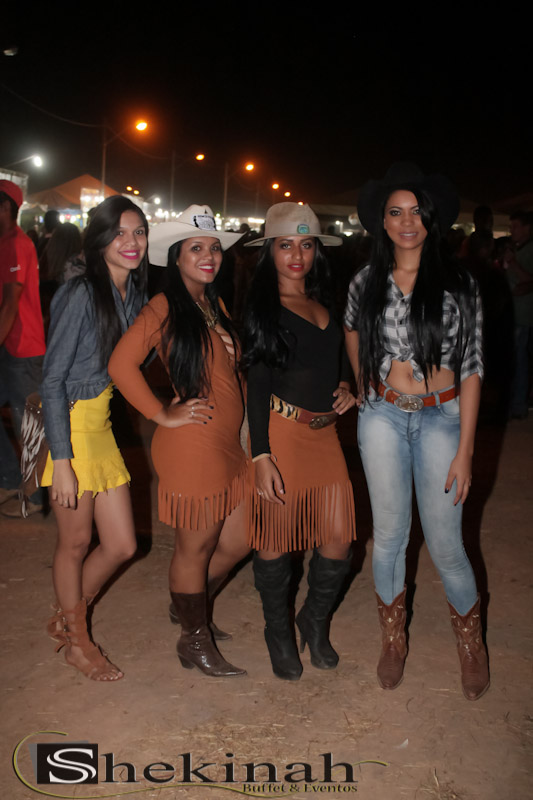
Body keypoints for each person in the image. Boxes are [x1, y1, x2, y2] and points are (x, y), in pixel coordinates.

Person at [343, 162, 489, 701]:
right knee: (389, 536)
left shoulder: (459, 282)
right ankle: (392, 637)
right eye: (395, 213)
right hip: (383, 415)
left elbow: (472, 367)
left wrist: (466, 450)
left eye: (416, 212)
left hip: (442, 418)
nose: (407, 222)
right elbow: (352, 328)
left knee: (447, 542)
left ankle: (471, 643)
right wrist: (364, 380)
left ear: (431, 219)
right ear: (381, 222)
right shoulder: (366, 280)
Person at [109, 205, 249, 678]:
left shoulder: (213, 305)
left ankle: (190, 605)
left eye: (214, 248)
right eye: (196, 248)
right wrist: (161, 413)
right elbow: (121, 364)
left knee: (240, 539)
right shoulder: (164, 306)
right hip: (193, 445)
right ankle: (193, 638)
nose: (209, 256)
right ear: (176, 256)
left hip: (229, 443)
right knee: (196, 548)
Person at [241, 203, 356, 681]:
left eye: (306, 245)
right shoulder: (264, 309)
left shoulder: (326, 300)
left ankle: (313, 619)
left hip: (325, 436)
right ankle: (278, 633)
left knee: (339, 541)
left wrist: (347, 383)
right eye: (286, 245)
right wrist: (260, 454)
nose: (297, 255)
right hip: (281, 434)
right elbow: (256, 387)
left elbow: (338, 355)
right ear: (270, 251)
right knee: (275, 540)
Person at [40, 195, 149, 681]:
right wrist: (62, 461)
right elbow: (52, 379)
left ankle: (68, 619)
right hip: (71, 427)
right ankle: (78, 643)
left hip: (101, 427)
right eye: (120, 233)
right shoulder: (81, 292)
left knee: (122, 544)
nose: (131, 242)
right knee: (77, 542)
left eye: (139, 232)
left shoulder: (134, 295)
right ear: (100, 239)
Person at [0, 180, 46, 518]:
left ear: (5, 208)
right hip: (9, 346)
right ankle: (8, 478)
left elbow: (10, 304)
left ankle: (35, 497)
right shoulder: (5, 243)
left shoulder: (17, 244)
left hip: (23, 348)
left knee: (27, 424)